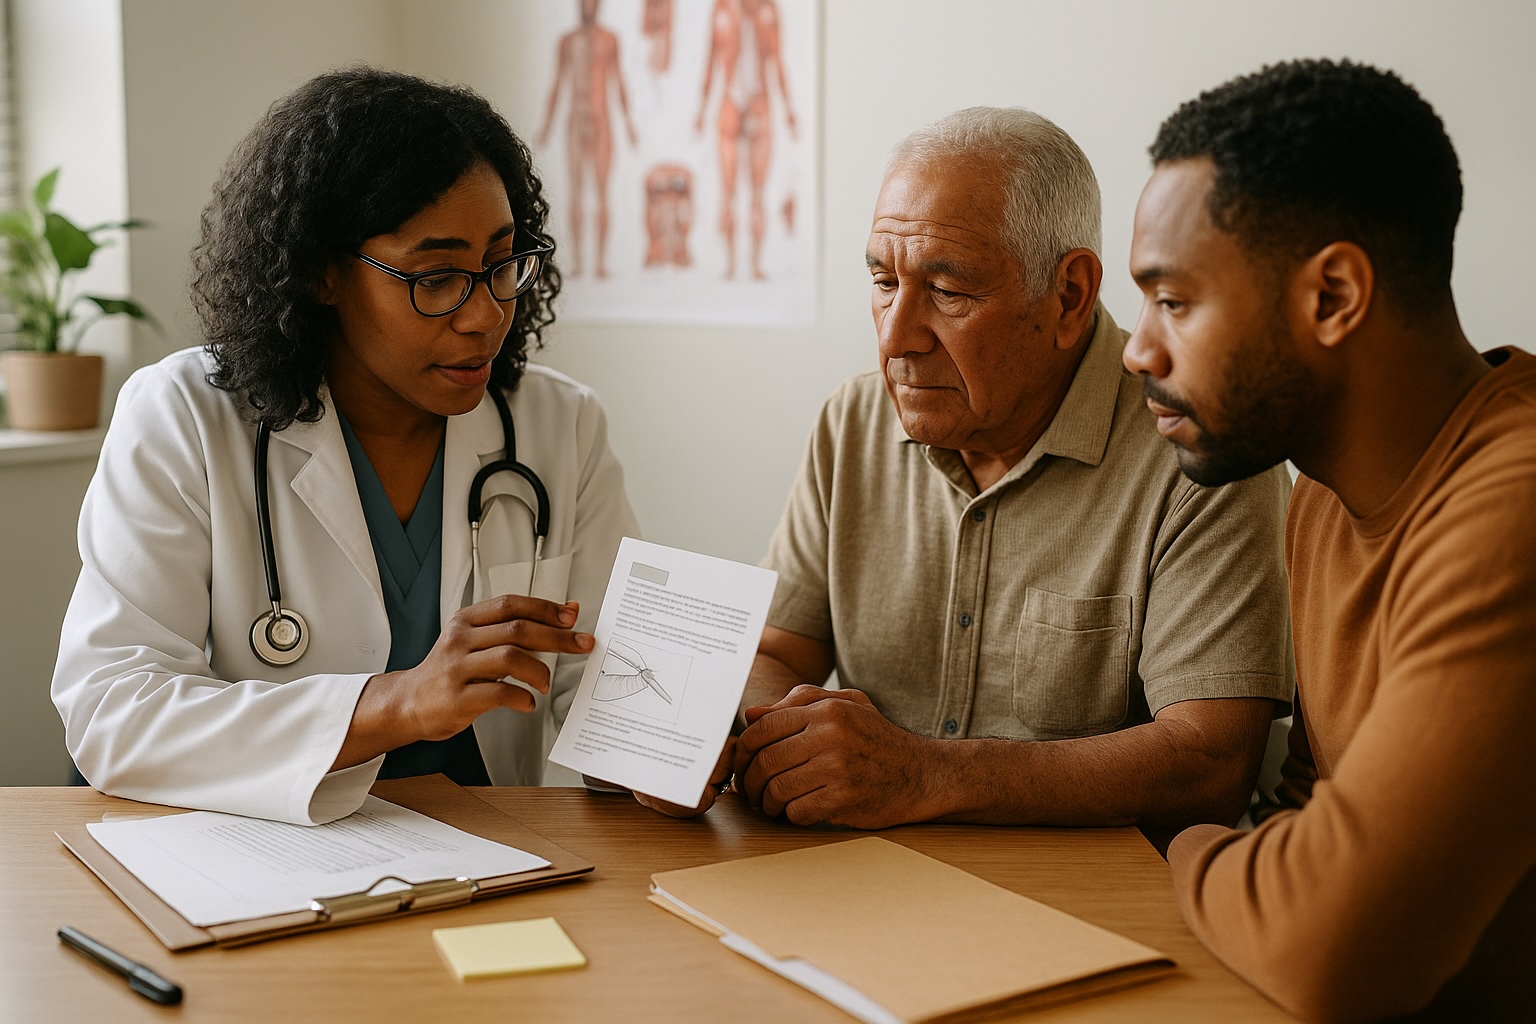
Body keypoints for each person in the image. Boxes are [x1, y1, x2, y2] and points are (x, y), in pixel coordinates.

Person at [640, 107, 1294, 830]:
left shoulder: (1200, 455)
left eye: (948, 293)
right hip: (868, 886)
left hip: (1095, 906)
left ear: (1070, 296)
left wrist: (922, 775)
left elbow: (1209, 765)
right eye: (883, 281)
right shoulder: (852, 423)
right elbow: (779, 649)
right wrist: (725, 733)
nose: (895, 338)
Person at [51, 68, 639, 826]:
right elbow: (113, 708)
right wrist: (391, 705)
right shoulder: (184, 417)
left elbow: (606, 680)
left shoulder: (560, 425)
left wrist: (659, 757)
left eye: (502, 264)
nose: (485, 314)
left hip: (502, 848)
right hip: (258, 853)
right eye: (436, 278)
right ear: (322, 273)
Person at [1124, 59, 1535, 1021]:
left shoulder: (1512, 516)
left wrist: (1181, 842)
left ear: (1335, 296)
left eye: (1174, 301)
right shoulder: (1319, 498)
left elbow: (1332, 946)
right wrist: (1277, 866)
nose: (1139, 348)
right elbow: (1307, 814)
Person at [695, 0, 797, 280]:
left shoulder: (767, 10)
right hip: (731, 104)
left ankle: (753, 264)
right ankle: (729, 263)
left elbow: (776, 60)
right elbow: (711, 59)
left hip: (759, 104)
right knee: (728, 192)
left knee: (757, 194)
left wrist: (789, 109)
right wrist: (701, 111)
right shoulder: (722, 9)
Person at [538, 0, 638, 279]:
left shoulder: (609, 40)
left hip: (601, 121)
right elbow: (558, 83)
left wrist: (629, 123)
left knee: (602, 193)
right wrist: (547, 126)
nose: (588, 7)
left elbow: (619, 81)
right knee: (577, 192)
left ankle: (600, 263)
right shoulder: (567, 42)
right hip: (576, 122)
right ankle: (580, 264)